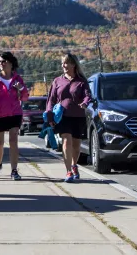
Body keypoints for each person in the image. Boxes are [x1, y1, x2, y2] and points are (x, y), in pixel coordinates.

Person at [46, 53, 92, 182]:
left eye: (66, 63)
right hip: (63, 116)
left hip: (78, 116)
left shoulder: (81, 81)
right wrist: (49, 114)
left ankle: (74, 165)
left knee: (76, 145)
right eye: (62, 63)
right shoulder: (57, 81)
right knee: (66, 141)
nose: (63, 65)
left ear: (73, 64)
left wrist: (85, 103)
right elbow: (51, 99)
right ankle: (68, 172)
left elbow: (87, 95)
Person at [0, 51, 29, 180]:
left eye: (4, 61)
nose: (1, 64)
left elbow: (25, 97)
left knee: (13, 140)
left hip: (15, 113)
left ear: (11, 63)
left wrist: (21, 89)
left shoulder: (17, 79)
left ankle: (14, 170)